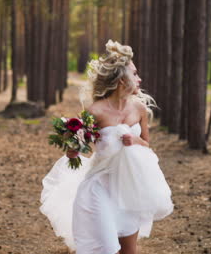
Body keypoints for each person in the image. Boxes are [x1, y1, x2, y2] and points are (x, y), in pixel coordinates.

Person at [40, 40, 173, 254]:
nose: (139, 79)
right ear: (122, 80)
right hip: (99, 188)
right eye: (135, 74)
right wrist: (72, 149)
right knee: (107, 248)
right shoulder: (96, 111)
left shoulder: (138, 108)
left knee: (128, 251)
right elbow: (77, 146)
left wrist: (134, 140)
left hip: (129, 188)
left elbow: (147, 144)